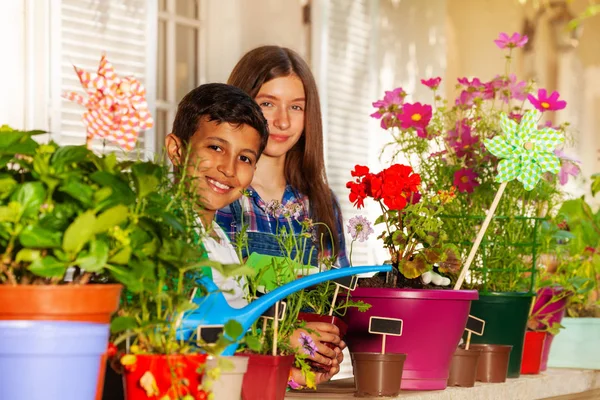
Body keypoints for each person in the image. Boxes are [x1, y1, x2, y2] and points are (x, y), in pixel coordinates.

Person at [102, 83, 270, 400]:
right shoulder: (156, 234)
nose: (228, 168)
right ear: (176, 149)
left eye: (245, 158)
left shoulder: (221, 240)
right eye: (216, 148)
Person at [216, 46, 348, 386]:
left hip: (304, 389)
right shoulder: (219, 194)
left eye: (296, 107)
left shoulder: (320, 203)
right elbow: (208, 309)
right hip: (234, 383)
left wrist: (329, 352)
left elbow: (338, 302)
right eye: (268, 104)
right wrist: (282, 335)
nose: (284, 121)